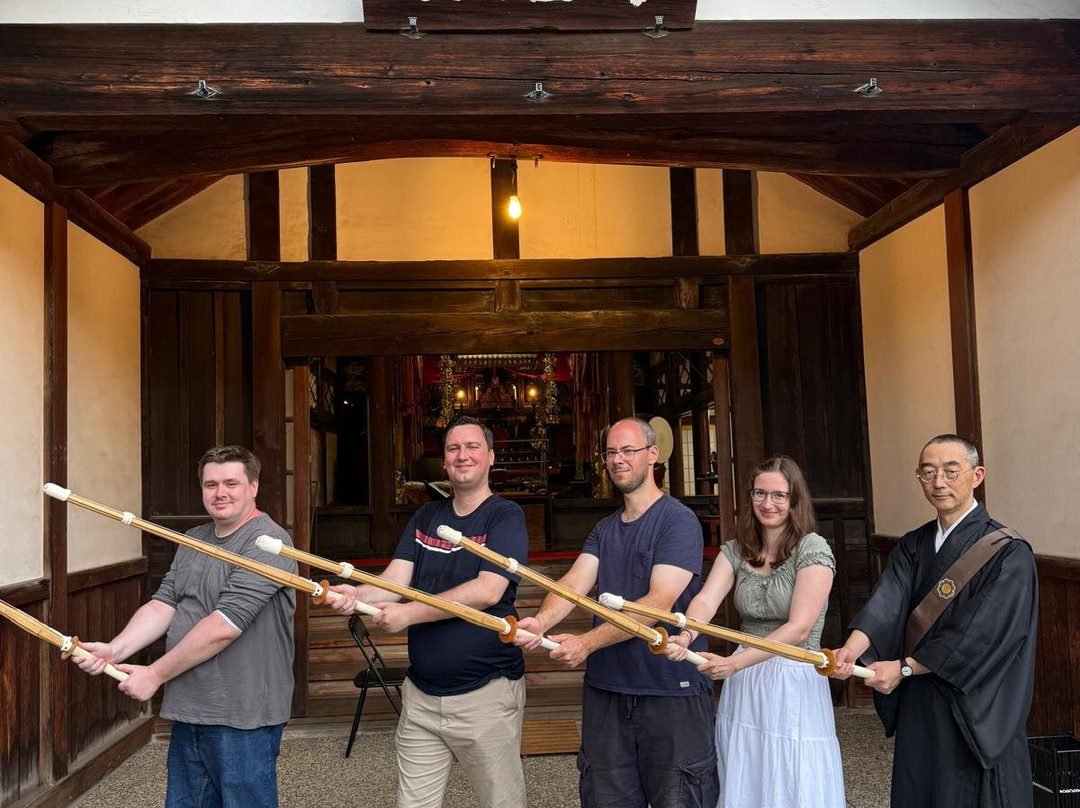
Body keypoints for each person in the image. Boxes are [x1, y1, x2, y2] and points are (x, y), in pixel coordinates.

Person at [74, 445, 297, 808]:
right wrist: (115, 649)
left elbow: (226, 624)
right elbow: (165, 604)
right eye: (211, 485)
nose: (220, 492)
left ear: (253, 487)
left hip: (242, 712)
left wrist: (155, 673)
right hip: (190, 704)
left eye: (231, 483)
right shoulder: (193, 538)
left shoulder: (270, 545)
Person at [515, 417, 719, 808]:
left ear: (652, 455)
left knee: (679, 798)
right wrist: (540, 622)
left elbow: (658, 603)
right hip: (608, 689)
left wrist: (587, 643)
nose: (617, 460)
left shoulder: (677, 521)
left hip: (667, 687)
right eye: (611, 452)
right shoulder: (604, 529)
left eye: (628, 451)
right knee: (605, 798)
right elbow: (572, 585)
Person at [328, 416, 529, 808]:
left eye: (472, 447)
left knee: (501, 802)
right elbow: (395, 581)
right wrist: (356, 593)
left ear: (490, 457)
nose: (462, 455)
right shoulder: (426, 518)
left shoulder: (505, 517)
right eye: (453, 448)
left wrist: (407, 616)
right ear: (445, 461)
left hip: (485, 693)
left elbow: (488, 590)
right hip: (420, 695)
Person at [831, 434, 1038, 807]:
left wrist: (905, 668)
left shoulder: (1009, 553)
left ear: (977, 475)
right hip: (919, 699)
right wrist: (850, 650)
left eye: (950, 471)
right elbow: (886, 604)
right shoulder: (914, 544)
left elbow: (981, 637)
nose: (938, 482)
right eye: (927, 473)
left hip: (973, 704)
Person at [664, 456, 844, 808]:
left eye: (779, 495)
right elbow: (705, 600)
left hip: (794, 674)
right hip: (747, 677)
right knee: (747, 767)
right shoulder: (735, 549)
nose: (768, 503)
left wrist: (735, 663)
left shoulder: (813, 548)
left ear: (794, 499)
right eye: (760, 493)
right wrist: (684, 635)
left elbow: (799, 627)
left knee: (792, 771)